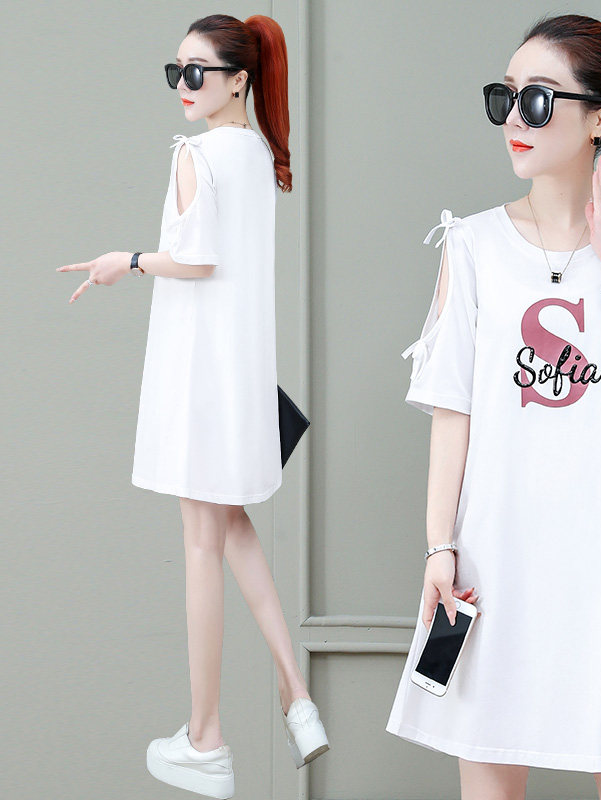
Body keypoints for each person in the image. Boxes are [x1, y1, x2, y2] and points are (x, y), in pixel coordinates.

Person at [385, 13, 601, 800]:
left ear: (600, 118)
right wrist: (440, 547)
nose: (513, 118)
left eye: (537, 101)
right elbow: (453, 409)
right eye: (504, 96)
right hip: (495, 560)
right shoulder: (471, 245)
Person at [56, 14, 328, 798]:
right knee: (230, 525)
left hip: (200, 378)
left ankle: (205, 738)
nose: (184, 85)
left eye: (198, 71)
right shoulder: (257, 154)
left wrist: (128, 260)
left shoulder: (198, 154)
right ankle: (297, 697)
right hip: (240, 377)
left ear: (239, 78)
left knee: (201, 545)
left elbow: (198, 260)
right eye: (176, 71)